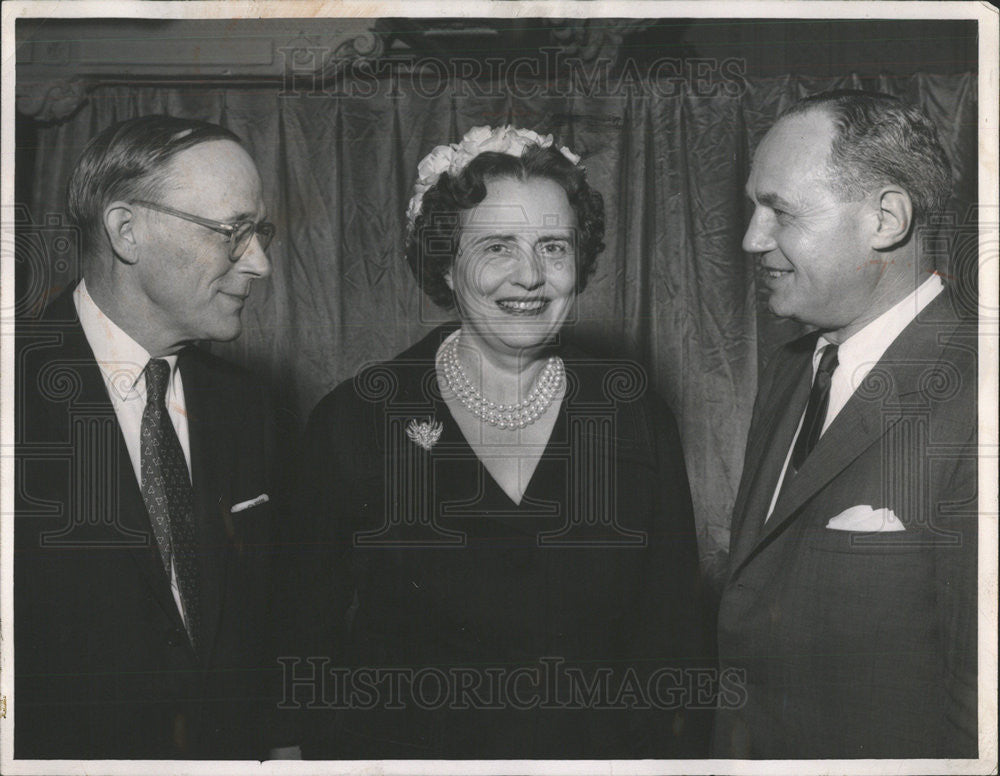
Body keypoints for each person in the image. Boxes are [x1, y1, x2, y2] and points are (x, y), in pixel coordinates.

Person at [287, 126, 708, 758]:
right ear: (447, 267)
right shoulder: (357, 419)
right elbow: (299, 641)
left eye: (553, 247)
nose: (531, 277)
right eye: (497, 247)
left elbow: (673, 648)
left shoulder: (636, 418)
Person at [715, 91, 977, 758]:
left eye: (780, 211)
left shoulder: (981, 393)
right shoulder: (791, 369)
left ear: (886, 219)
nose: (751, 238)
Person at [14, 115, 282, 759]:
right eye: (232, 233)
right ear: (126, 231)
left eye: (260, 232)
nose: (261, 263)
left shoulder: (249, 407)